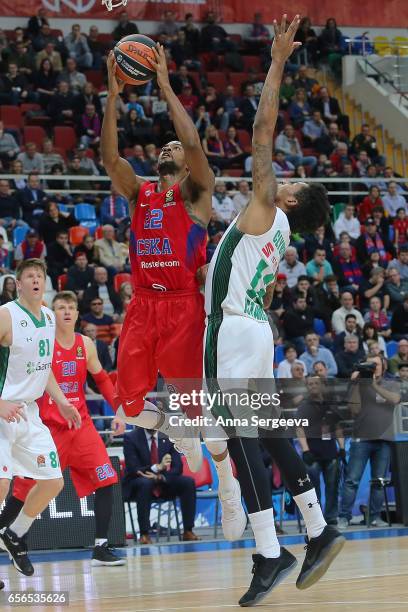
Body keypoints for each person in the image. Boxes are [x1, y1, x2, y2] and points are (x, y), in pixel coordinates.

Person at [203, 16, 343, 606]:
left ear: (291, 197)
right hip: (254, 331)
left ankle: (268, 551)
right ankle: (317, 527)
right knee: (270, 430)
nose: (289, 176)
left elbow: (262, 128)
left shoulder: (266, 205)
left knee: (241, 441)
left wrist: (278, 60)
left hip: (233, 330)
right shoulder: (279, 226)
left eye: (296, 179)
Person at [101, 45, 244, 543]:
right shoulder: (139, 190)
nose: (167, 148)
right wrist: (114, 97)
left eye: (173, 147)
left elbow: (196, 148)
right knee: (128, 404)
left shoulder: (197, 192)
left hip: (184, 307)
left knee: (202, 413)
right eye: (162, 146)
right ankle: (174, 429)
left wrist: (164, 87)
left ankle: (227, 485)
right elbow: (109, 158)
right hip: (143, 304)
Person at [0, 291, 125, 566]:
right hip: (48, 427)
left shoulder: (86, 344)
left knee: (107, 479)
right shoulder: (39, 342)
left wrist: (119, 410)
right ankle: (7, 535)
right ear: (51, 313)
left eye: (71, 307)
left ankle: (101, 547)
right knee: (23, 489)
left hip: (81, 426)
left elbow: (102, 379)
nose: (67, 311)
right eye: (60, 307)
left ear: (78, 315)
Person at [0, 259, 81, 578]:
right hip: (4, 410)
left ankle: (14, 534)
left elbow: (43, 368)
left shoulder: (48, 317)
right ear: (18, 285)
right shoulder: (7, 315)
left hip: (28, 413)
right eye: (29, 276)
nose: (35, 279)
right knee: (2, 483)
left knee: (53, 481)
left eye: (40, 275)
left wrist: (61, 402)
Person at [338, 355, 400, 529]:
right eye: (370, 366)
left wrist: (372, 384)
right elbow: (354, 409)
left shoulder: (391, 383)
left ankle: (373, 517)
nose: (374, 368)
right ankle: (344, 517)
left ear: (383, 366)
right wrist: (358, 383)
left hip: (384, 438)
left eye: (376, 365)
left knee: (379, 481)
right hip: (362, 438)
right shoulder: (360, 385)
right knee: (352, 481)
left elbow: (395, 399)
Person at [123, 426, 199, 543]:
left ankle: (188, 531)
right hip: (138, 482)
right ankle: (144, 534)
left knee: (187, 482)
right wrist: (156, 468)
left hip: (162, 483)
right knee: (145, 483)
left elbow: (177, 467)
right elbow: (133, 468)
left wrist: (160, 477)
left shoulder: (168, 437)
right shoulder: (131, 437)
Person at [296, 376, 345, 525]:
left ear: (322, 385)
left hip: (331, 452)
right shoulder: (303, 406)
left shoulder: (331, 405)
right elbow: (299, 428)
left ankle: (331, 517)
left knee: (332, 487)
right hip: (312, 454)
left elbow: (337, 427)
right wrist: (305, 451)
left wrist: (342, 447)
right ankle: (315, 519)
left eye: (316, 383)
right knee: (312, 490)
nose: (313, 386)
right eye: (310, 384)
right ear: (307, 387)